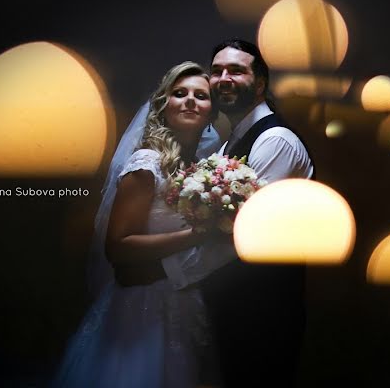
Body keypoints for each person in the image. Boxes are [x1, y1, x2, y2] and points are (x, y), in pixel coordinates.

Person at [114, 39, 314, 387]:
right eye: (218, 70)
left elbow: (240, 234)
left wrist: (160, 272)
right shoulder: (230, 144)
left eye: (236, 70)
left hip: (263, 310)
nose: (224, 78)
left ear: (261, 83)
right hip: (227, 309)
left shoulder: (275, 141)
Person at [52, 61, 223, 388]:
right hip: (142, 306)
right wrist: (195, 235)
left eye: (201, 95)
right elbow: (118, 246)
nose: (190, 100)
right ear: (164, 105)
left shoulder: (200, 169)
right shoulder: (147, 163)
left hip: (182, 300)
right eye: (179, 93)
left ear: (212, 113)